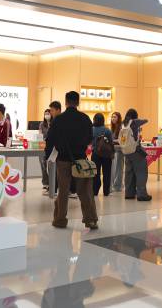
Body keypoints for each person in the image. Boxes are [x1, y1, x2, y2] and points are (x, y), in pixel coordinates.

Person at [45, 91, 98, 230]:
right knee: (85, 191)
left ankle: (60, 220)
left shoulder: (58, 119)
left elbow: (50, 139)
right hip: (80, 160)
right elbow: (89, 138)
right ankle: (91, 220)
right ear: (78, 102)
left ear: (66, 102)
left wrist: (48, 156)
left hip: (63, 160)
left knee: (63, 190)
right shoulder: (85, 118)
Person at [122, 109, 152, 202]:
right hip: (136, 151)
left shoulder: (123, 123)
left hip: (126, 151)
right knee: (141, 173)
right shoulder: (135, 122)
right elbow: (146, 120)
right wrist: (137, 119)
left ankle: (129, 193)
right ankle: (142, 194)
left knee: (129, 173)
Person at [92, 113, 114, 197]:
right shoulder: (107, 130)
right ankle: (106, 191)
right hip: (106, 154)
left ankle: (95, 190)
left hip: (95, 154)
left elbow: (89, 141)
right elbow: (111, 142)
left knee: (95, 173)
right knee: (107, 173)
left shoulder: (92, 130)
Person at [39, 109, 53, 194]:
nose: (47, 115)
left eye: (48, 113)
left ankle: (52, 183)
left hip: (51, 147)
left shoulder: (53, 123)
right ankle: (45, 182)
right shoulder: (42, 124)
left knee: (51, 165)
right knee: (43, 165)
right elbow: (40, 134)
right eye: (45, 114)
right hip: (43, 146)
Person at [110, 112, 124, 193]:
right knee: (114, 169)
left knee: (119, 169)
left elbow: (122, 140)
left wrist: (113, 140)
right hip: (113, 150)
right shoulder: (113, 128)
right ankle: (116, 185)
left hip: (119, 150)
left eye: (115, 117)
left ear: (118, 118)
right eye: (112, 117)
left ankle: (118, 186)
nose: (113, 118)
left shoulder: (121, 128)